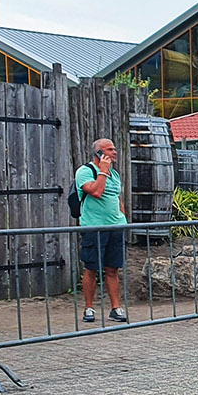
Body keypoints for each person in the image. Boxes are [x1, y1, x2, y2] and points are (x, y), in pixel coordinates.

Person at [76, 138, 128, 323]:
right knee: (91, 268)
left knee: (113, 268)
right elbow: (96, 192)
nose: (115, 152)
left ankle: (116, 308)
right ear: (99, 152)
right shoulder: (85, 172)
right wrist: (103, 172)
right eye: (110, 149)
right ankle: (89, 308)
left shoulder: (114, 174)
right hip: (94, 227)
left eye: (114, 149)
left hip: (115, 227)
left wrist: (124, 220)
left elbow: (117, 198)